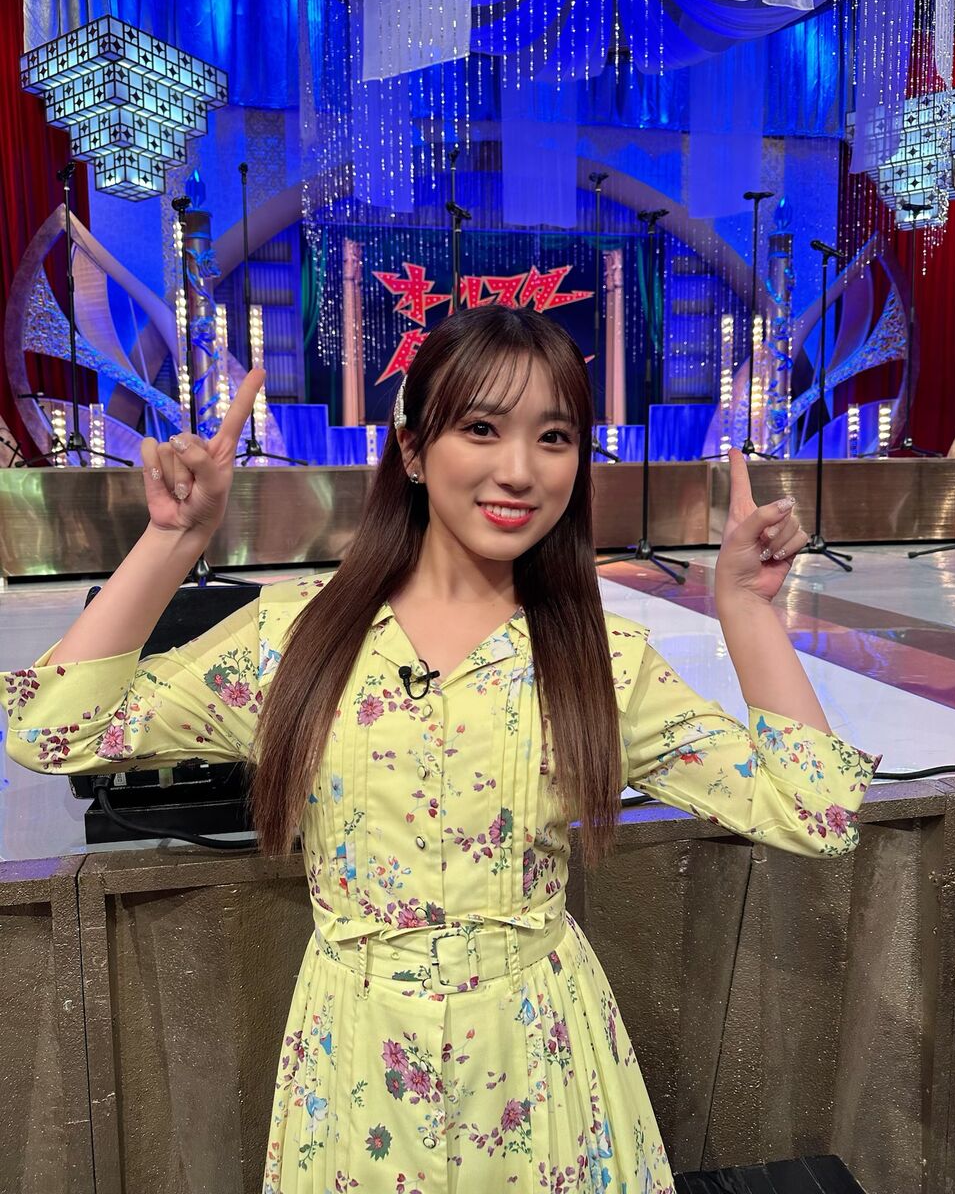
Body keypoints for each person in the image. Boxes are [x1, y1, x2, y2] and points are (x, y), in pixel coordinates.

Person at [1, 305, 881, 1193]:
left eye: (553, 437)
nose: (518, 470)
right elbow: (52, 731)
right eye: (481, 428)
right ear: (414, 450)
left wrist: (746, 610)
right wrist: (172, 541)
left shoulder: (601, 664)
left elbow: (814, 812)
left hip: (540, 1072)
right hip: (358, 1072)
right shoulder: (295, 640)